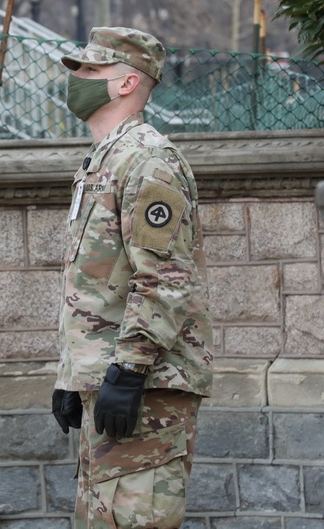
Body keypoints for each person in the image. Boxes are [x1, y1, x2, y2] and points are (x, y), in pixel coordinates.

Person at [51, 27, 213, 529]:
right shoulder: (104, 160)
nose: (76, 78)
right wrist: (71, 376)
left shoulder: (147, 160)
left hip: (145, 388)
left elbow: (164, 278)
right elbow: (98, 284)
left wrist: (131, 370)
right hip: (109, 382)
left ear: (126, 83)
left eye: (91, 70)